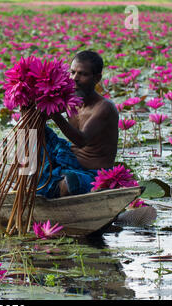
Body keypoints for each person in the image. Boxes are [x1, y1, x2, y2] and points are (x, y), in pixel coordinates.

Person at [37, 50, 119, 198]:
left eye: (83, 74)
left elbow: (82, 140)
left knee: (71, 182)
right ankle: (28, 176)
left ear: (97, 78)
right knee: (34, 130)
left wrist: (55, 115)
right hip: (69, 157)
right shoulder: (71, 100)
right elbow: (42, 116)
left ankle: (44, 184)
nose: (75, 78)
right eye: (72, 72)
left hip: (92, 172)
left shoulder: (104, 107)